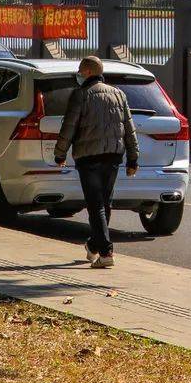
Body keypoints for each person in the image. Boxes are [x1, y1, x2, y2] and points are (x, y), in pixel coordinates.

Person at [54, 56, 139, 268]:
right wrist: (133, 158)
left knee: (95, 205)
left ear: (88, 72)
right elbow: (129, 128)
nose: (79, 75)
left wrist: (60, 153)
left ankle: (106, 253)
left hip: (88, 157)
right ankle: (93, 245)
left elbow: (69, 127)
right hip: (113, 156)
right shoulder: (119, 95)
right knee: (104, 203)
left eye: (80, 72)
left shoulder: (80, 95)